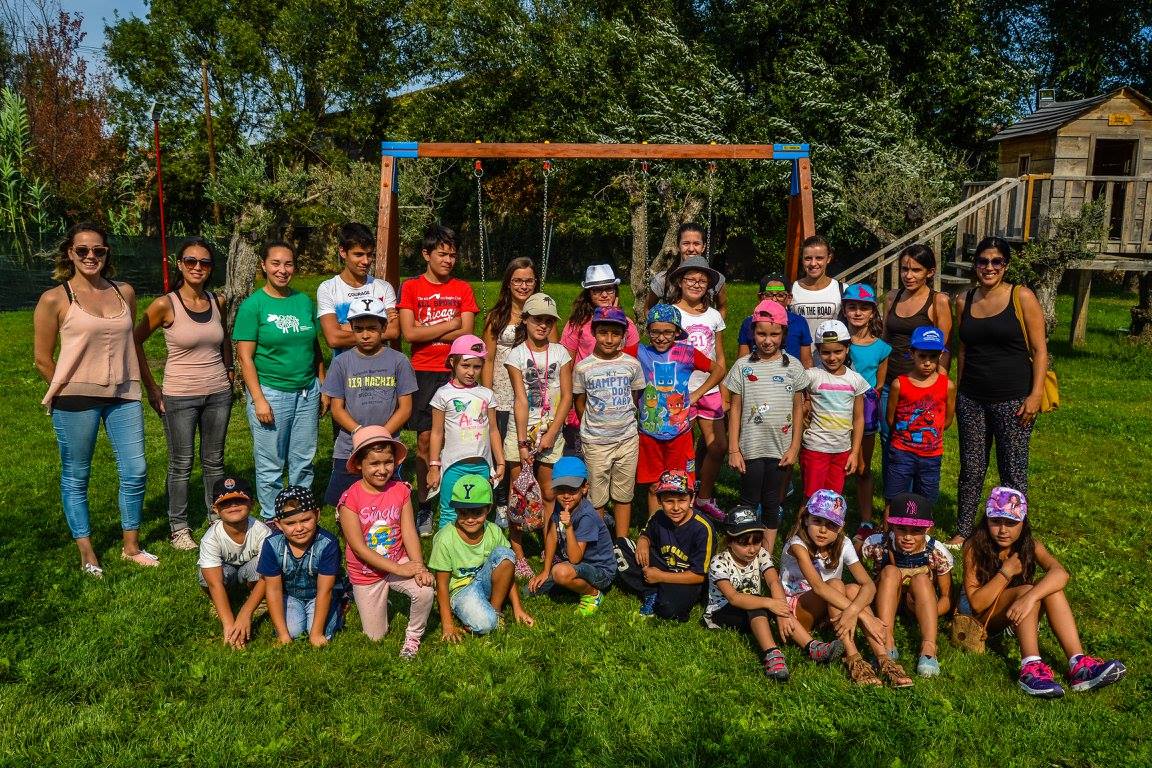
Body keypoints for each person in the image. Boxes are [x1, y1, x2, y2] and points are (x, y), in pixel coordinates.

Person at [33, 222, 152, 576]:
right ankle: (86, 551)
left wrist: (150, 386)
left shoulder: (124, 292)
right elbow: (42, 358)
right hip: (74, 401)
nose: (90, 256)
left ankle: (131, 546)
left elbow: (131, 343)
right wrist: (67, 388)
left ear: (106, 253)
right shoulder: (55, 298)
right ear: (70, 253)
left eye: (98, 250)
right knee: (76, 476)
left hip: (124, 395)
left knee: (135, 470)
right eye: (82, 250)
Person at [962, 488, 1126, 697]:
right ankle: (1030, 668)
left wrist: (1030, 598)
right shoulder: (974, 546)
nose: (1003, 530)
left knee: (1050, 588)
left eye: (1011, 523)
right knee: (1028, 590)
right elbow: (976, 604)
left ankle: (1078, 664)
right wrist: (1006, 572)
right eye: (995, 521)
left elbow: (1061, 574)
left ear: (1023, 523)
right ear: (986, 521)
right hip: (983, 619)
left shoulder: (1029, 545)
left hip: (1017, 613)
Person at [134, 237, 233, 551]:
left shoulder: (217, 301)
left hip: (218, 393)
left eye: (204, 262)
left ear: (210, 268)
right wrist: (152, 388)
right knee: (181, 463)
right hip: (179, 396)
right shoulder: (165, 304)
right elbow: (134, 341)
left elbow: (224, 338)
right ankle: (179, 528)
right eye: (191, 261)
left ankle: (216, 519)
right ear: (180, 264)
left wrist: (229, 370)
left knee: (214, 461)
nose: (197, 267)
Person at [952, 236, 1048, 547]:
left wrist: (1035, 395)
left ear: (1006, 265)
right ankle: (964, 530)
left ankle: (1014, 534)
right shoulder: (964, 300)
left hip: (1014, 399)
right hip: (972, 398)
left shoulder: (1022, 297)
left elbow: (1040, 349)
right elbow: (963, 349)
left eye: (996, 261)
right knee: (971, 468)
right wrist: (958, 392)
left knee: (1012, 470)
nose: (989, 267)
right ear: (975, 264)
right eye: (983, 261)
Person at [779, 490, 910, 687]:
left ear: (840, 527)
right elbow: (819, 587)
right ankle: (853, 658)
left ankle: (883, 658)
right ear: (806, 519)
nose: (823, 530)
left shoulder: (844, 543)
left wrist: (853, 610)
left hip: (830, 609)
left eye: (831, 524)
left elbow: (868, 585)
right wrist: (865, 617)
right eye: (817, 521)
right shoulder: (797, 544)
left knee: (855, 589)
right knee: (836, 584)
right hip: (797, 612)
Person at [233, 241, 326, 519]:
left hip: (307, 391)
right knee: (271, 463)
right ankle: (273, 518)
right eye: (275, 263)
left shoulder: (304, 301)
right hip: (271, 392)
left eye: (288, 264)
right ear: (263, 265)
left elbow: (314, 346)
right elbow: (245, 357)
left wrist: (322, 384)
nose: (282, 270)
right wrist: (259, 399)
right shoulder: (253, 306)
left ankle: (300, 514)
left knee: (303, 459)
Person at [398, 224, 479, 533]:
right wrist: (450, 325)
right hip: (423, 369)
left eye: (452, 255)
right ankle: (424, 503)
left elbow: (467, 332)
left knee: (457, 437)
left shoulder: (462, 288)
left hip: (455, 370)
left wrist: (429, 330)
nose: (448, 260)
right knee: (424, 439)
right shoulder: (412, 287)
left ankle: (455, 498)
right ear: (426, 254)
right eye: (442, 254)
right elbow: (409, 333)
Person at [337, 427, 434, 658]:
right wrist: (399, 569)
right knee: (375, 637)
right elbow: (359, 548)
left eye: (388, 462)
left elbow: (409, 532)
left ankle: (413, 637)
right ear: (359, 464)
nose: (382, 470)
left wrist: (418, 566)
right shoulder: (350, 500)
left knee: (425, 591)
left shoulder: (401, 491)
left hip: (396, 559)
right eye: (374, 464)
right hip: (366, 572)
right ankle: (367, 597)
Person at [724, 300, 804, 554]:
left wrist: (794, 447)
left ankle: (766, 556)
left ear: (783, 334)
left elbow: (799, 409)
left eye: (774, 334)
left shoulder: (793, 366)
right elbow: (735, 408)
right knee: (748, 501)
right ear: (753, 333)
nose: (768, 340)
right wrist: (733, 449)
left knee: (772, 501)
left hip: (780, 449)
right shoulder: (743, 366)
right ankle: (744, 551)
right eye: (761, 334)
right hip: (751, 447)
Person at [629, 304, 724, 517]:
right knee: (654, 486)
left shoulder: (686, 352)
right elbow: (612, 353)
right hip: (649, 432)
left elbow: (718, 370)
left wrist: (697, 394)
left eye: (668, 332)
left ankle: (682, 528)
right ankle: (655, 527)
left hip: (680, 434)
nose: (661, 338)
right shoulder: (640, 352)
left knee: (681, 485)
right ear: (648, 330)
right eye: (655, 332)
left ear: (677, 332)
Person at [321, 298, 416, 507]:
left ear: (384, 327)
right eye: (359, 329)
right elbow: (337, 409)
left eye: (372, 328)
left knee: (388, 501)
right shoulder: (341, 362)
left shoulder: (399, 361)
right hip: (349, 445)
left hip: (387, 445)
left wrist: (380, 436)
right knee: (342, 502)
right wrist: (359, 432)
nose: (365, 335)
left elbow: (405, 407)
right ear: (351, 328)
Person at [504, 292, 572, 577]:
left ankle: (548, 544)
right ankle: (518, 551)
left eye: (548, 321)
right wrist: (522, 443)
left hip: (551, 431)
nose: (542, 325)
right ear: (525, 320)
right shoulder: (516, 355)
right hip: (521, 431)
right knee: (518, 492)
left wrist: (552, 432)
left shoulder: (561, 353)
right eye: (537, 320)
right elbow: (520, 400)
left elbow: (567, 396)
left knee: (548, 491)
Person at [428, 474, 535, 641]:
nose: (470, 519)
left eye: (477, 512)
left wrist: (518, 608)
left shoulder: (494, 531)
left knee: (506, 554)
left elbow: (508, 569)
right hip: (460, 589)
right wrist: (447, 625)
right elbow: (441, 584)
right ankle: (485, 616)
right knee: (485, 624)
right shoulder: (444, 538)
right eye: (463, 513)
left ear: (489, 508)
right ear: (455, 510)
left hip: (485, 580)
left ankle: (496, 610)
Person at [482, 258, 547, 522]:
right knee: (501, 450)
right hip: (502, 391)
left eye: (529, 281)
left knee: (527, 450)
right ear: (508, 284)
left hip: (531, 392)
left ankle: (529, 497)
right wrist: (487, 394)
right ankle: (500, 502)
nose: (523, 286)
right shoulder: (496, 317)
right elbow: (488, 358)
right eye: (517, 280)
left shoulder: (543, 316)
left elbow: (552, 355)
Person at [860, 493, 953, 677]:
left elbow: (946, 596)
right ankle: (886, 640)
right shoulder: (877, 544)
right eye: (901, 529)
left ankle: (929, 646)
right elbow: (859, 574)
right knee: (890, 571)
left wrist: (929, 613)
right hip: (885, 599)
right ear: (891, 525)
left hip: (918, 603)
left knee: (921, 579)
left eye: (916, 531)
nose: (908, 537)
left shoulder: (936, 552)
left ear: (927, 529)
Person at [571, 307, 645, 539]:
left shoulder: (632, 364)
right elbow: (579, 401)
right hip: (596, 442)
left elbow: (635, 396)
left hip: (627, 439)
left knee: (624, 494)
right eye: (603, 333)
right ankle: (600, 542)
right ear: (594, 333)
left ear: (624, 335)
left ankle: (622, 542)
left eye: (616, 334)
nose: (609, 339)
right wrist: (593, 426)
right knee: (597, 496)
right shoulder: (583, 367)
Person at [667, 256, 728, 522]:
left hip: (709, 388)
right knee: (684, 449)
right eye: (690, 279)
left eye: (702, 280)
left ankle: (704, 497)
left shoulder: (714, 316)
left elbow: (720, 356)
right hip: (680, 390)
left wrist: (723, 389)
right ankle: (682, 497)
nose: (696, 284)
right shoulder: (672, 313)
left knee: (718, 446)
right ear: (680, 282)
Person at [703, 505, 793, 681]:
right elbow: (733, 598)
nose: (752, 549)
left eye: (757, 541)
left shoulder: (761, 554)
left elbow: (773, 581)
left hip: (753, 605)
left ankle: (812, 646)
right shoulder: (719, 562)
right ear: (730, 541)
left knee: (775, 606)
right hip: (723, 612)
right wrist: (769, 603)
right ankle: (771, 653)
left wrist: (783, 613)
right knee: (760, 604)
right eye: (744, 543)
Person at [614, 470, 715, 622]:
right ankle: (650, 592)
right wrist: (643, 541)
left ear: (692, 499)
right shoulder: (658, 516)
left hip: (686, 576)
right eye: (669, 501)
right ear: (659, 501)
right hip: (661, 563)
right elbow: (646, 533)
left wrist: (661, 576)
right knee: (619, 548)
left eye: (682, 500)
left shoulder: (703, 528)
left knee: (668, 610)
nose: (676, 507)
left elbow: (699, 575)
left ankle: (655, 588)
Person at [428, 334, 506, 529]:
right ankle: (445, 548)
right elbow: (436, 433)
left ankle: (478, 547)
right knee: (449, 511)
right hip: (453, 466)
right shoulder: (443, 394)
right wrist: (434, 466)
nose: (471, 372)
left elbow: (494, 430)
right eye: (465, 365)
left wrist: (500, 462)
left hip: (481, 465)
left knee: (480, 510)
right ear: (453, 362)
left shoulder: (487, 394)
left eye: (477, 367)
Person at [561, 264, 641, 451]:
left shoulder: (627, 325)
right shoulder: (577, 323)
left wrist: (614, 316)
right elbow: (566, 364)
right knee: (583, 451)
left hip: (616, 399)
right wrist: (566, 400)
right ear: (589, 293)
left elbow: (632, 369)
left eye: (609, 289)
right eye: (597, 290)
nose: (604, 295)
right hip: (585, 395)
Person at [880, 243, 953, 445]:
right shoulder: (892, 297)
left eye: (916, 270)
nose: (908, 275)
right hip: (890, 382)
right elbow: (884, 339)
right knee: (887, 437)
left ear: (930, 272)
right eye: (904, 269)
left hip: (921, 386)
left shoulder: (938, 301)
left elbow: (945, 349)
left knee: (915, 440)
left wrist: (939, 386)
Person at [527, 457, 618, 616]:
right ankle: (566, 580)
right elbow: (552, 535)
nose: (566, 495)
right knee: (530, 590)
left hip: (600, 571)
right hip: (577, 564)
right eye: (561, 489)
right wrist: (545, 571)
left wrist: (568, 527)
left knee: (560, 573)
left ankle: (593, 594)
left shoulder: (587, 516)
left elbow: (575, 559)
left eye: (572, 489)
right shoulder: (561, 504)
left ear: (585, 488)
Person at [258, 485, 344, 646]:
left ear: (317, 515)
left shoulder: (328, 543)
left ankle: (338, 604)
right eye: (290, 523)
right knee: (293, 632)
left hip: (319, 595)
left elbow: (324, 590)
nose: (299, 528)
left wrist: (316, 634)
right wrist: (283, 634)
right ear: (278, 524)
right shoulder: (272, 544)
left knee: (321, 632)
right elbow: (273, 590)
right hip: (290, 595)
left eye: (305, 520)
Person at [837, 284, 889, 539]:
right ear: (844, 310)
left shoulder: (881, 348)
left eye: (864, 308)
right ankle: (829, 514)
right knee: (836, 465)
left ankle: (866, 520)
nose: (857, 313)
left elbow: (879, 384)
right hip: (835, 407)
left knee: (863, 467)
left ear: (873, 312)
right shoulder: (836, 342)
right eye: (852, 307)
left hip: (866, 412)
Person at [197, 475, 271, 650]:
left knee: (261, 568)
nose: (233, 506)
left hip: (251, 572)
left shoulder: (262, 531)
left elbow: (268, 574)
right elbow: (214, 582)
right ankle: (219, 603)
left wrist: (245, 613)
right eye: (225, 503)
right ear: (215, 509)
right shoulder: (210, 538)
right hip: (226, 573)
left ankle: (259, 601)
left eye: (239, 500)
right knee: (204, 575)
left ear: (252, 503)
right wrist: (229, 625)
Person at [885, 326, 955, 506]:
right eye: (922, 356)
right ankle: (889, 526)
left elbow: (947, 420)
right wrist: (906, 434)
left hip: (931, 455)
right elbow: (891, 418)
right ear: (912, 353)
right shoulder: (899, 384)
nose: (927, 362)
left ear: (940, 355)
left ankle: (922, 526)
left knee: (926, 501)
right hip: (901, 452)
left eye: (933, 356)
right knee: (894, 499)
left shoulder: (948, 386)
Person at [799, 320, 869, 498]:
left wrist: (854, 452)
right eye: (826, 352)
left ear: (847, 349)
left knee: (833, 499)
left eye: (838, 351)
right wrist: (804, 406)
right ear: (818, 351)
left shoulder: (856, 380)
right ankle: (804, 518)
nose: (832, 358)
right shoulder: (812, 376)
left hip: (842, 450)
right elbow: (793, 396)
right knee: (811, 497)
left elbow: (859, 418)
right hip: (815, 448)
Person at [315, 222, 399, 356]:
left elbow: (393, 331)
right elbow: (333, 339)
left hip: (380, 366)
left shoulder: (383, 287)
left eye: (369, 254)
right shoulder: (328, 288)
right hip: (345, 367)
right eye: (359, 254)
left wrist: (343, 327)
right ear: (343, 252)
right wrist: (377, 326)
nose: (366, 261)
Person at [644, 222, 729, 317]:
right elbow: (648, 308)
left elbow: (722, 308)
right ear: (678, 246)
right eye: (686, 243)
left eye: (696, 244)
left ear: (703, 247)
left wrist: (717, 324)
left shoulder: (716, 279)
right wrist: (656, 325)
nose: (691, 249)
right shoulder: (663, 279)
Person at [736, 273, 813, 368]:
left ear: (789, 298)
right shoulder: (749, 323)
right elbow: (742, 359)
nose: (774, 299)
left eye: (780, 295)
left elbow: (807, 361)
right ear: (760, 298)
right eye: (768, 295)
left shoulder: (799, 322)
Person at [790, 235, 842, 359]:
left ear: (829, 258)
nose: (813, 263)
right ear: (802, 259)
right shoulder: (791, 290)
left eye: (819, 258)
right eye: (808, 258)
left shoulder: (842, 290)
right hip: (797, 359)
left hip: (831, 360)